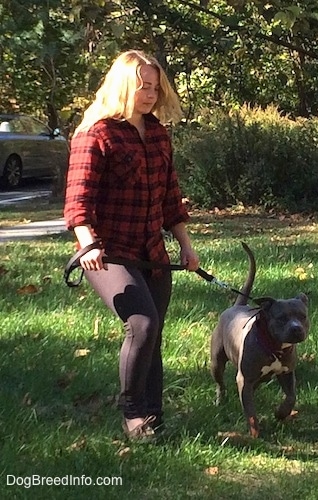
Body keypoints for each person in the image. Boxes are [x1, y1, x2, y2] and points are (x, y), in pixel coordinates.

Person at [64, 49, 199, 442]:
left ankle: (154, 418)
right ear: (124, 85)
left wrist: (186, 247)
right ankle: (132, 414)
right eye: (142, 86)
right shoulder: (96, 133)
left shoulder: (158, 133)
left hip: (152, 252)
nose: (150, 93)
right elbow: (78, 201)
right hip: (108, 253)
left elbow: (171, 199)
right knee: (141, 324)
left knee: (153, 334)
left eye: (155, 87)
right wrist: (88, 245)